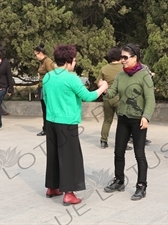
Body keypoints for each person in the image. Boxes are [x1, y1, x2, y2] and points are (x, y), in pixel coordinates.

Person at [43, 44, 108, 206]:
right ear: (67, 61)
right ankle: (69, 193)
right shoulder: (71, 78)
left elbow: (44, 97)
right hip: (67, 123)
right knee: (70, 158)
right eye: (74, 60)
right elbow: (88, 96)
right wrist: (103, 88)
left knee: (53, 155)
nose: (75, 63)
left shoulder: (47, 77)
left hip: (51, 121)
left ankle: (52, 187)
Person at [103, 43, 155, 201]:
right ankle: (119, 180)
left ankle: (141, 185)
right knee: (118, 152)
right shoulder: (120, 75)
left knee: (139, 154)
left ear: (135, 58)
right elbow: (112, 92)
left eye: (125, 57)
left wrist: (146, 116)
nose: (122, 60)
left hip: (138, 120)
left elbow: (150, 99)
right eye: (121, 57)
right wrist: (103, 89)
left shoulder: (144, 75)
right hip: (123, 118)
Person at [96, 47, 133, 150]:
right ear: (120, 57)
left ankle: (103, 141)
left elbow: (98, 82)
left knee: (107, 120)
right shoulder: (123, 68)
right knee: (122, 122)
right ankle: (123, 143)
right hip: (120, 98)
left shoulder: (104, 68)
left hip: (107, 97)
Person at [34, 43, 55, 136]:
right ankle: (46, 128)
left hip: (47, 89)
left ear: (41, 52)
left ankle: (47, 129)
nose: (36, 56)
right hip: (42, 87)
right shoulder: (42, 62)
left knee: (47, 109)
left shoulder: (48, 62)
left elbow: (52, 75)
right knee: (45, 109)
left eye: (37, 54)